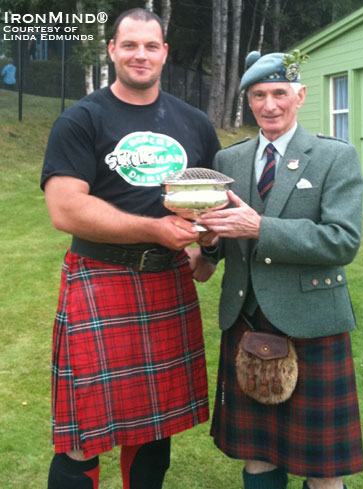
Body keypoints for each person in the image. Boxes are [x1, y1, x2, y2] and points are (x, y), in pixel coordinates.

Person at [41, 8, 220, 489]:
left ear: (165, 52)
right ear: (112, 50)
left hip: (167, 282)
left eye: (151, 46)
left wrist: (206, 248)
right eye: (130, 45)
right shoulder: (82, 119)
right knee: (82, 431)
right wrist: (155, 230)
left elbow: (211, 203)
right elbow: (66, 210)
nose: (140, 54)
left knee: (155, 423)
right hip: (101, 278)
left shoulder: (195, 123)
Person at [198, 51, 363, 489]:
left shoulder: (334, 157)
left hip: (311, 323)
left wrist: (260, 227)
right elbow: (223, 242)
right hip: (246, 319)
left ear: (300, 95)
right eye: (258, 95)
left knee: (322, 471)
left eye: (279, 93)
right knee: (258, 458)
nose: (269, 105)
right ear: (248, 101)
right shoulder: (227, 161)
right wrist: (210, 241)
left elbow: (342, 240)